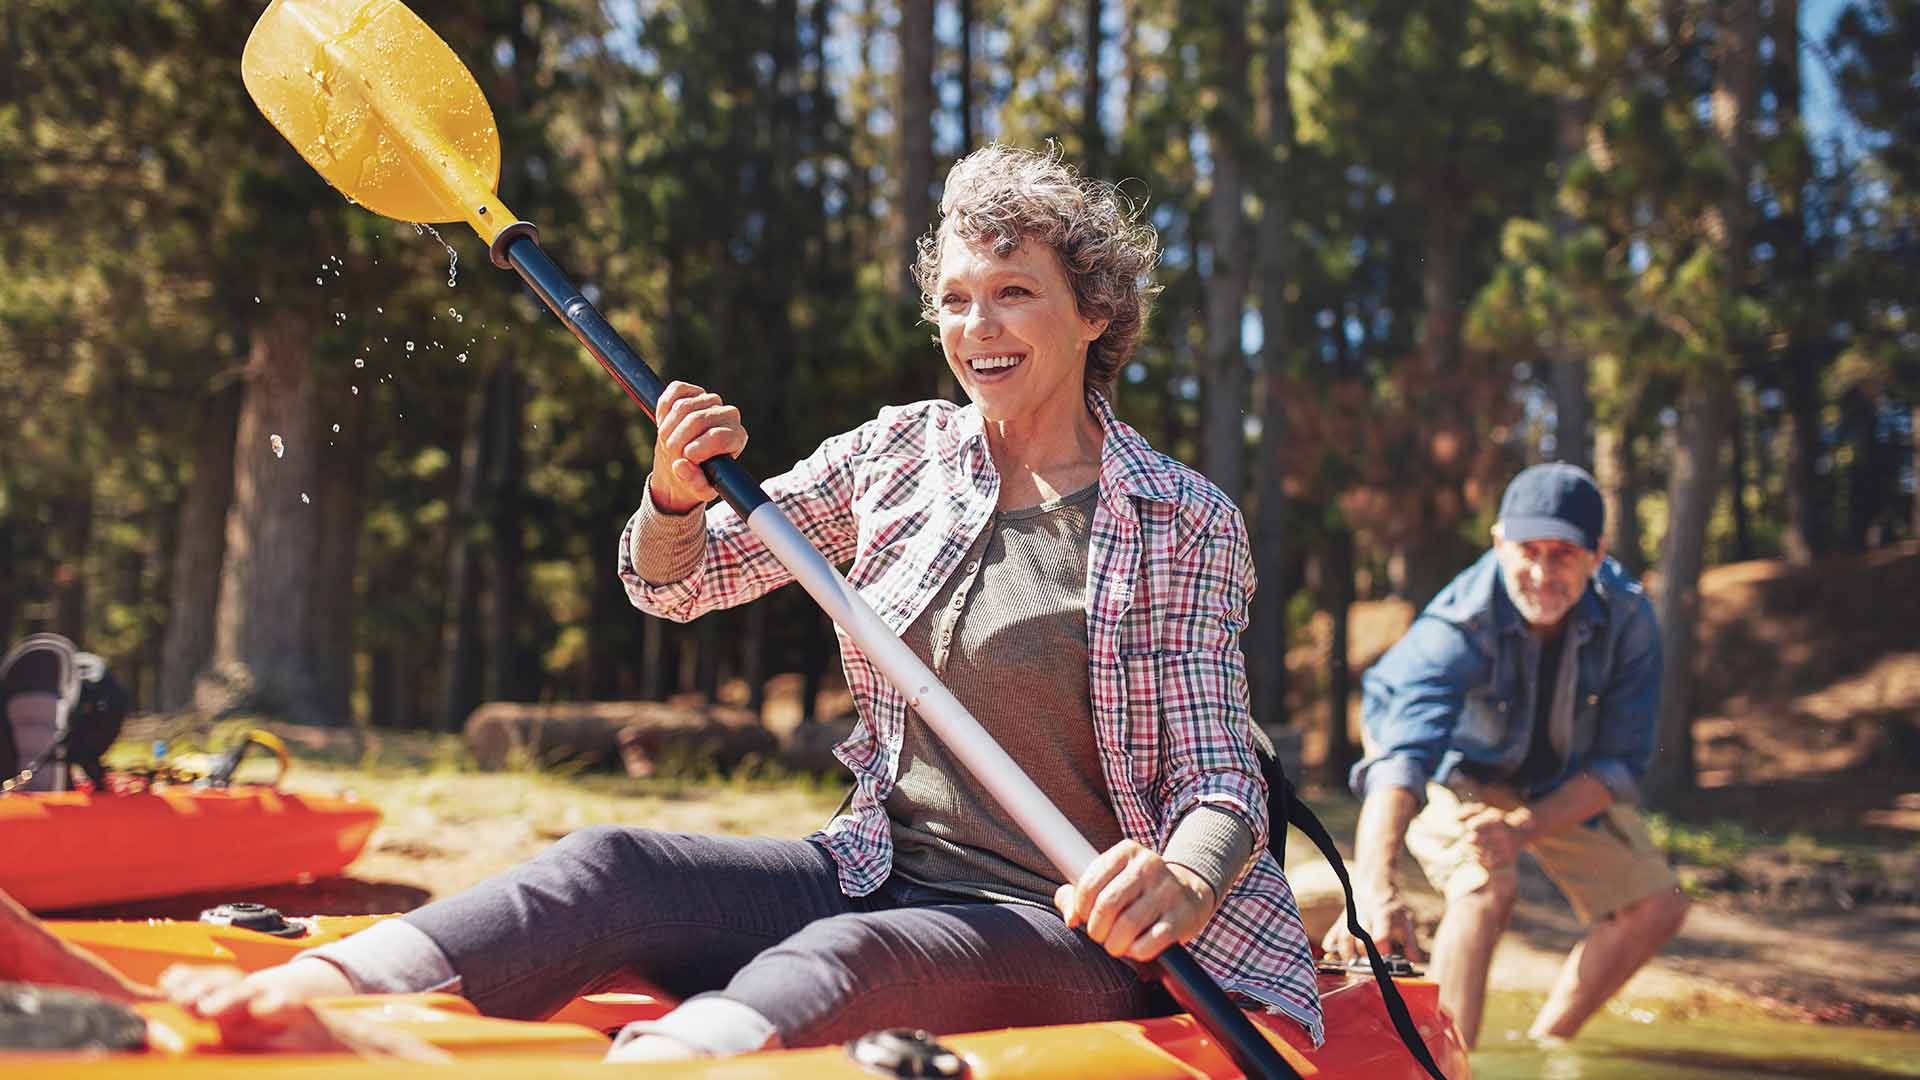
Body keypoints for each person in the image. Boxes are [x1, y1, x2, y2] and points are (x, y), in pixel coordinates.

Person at [136, 144, 1322, 1060]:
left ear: (1095, 312)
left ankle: (660, 1069)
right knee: (612, 866)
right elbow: (685, 583)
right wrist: (670, 494)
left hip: (1070, 927)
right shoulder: (899, 456)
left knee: (853, 959)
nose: (978, 329)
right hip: (877, 863)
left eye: (1013, 293)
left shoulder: (1177, 517)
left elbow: (1217, 777)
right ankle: (307, 1000)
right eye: (957, 300)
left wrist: (1182, 876)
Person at [1322, 463, 1690, 1048]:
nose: (1542, 573)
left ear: (1597, 555)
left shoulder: (1631, 617)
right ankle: (1446, 1060)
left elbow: (1619, 764)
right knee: (1484, 884)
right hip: (1450, 762)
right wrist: (1374, 886)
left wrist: (1522, 828)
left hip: (1553, 777)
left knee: (1657, 905)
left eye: (1563, 554)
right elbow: (1401, 761)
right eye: (1528, 550)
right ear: (1499, 544)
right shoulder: (1460, 621)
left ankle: (1547, 1047)